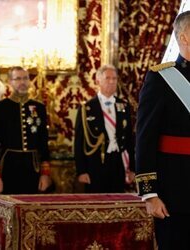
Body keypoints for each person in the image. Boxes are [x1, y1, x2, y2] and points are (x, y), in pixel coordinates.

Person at [135, 11, 190, 250]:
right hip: (176, 191)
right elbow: (145, 139)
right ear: (185, 37)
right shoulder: (162, 78)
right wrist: (150, 194)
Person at [0, 66, 52, 194]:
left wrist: (45, 173)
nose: (22, 82)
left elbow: (43, 143)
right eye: (17, 79)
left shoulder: (39, 107)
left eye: (25, 78)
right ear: (10, 82)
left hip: (33, 167)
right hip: (9, 166)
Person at [74, 64, 135, 193]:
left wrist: (133, 168)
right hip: (96, 163)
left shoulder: (123, 105)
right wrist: (82, 171)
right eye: (108, 78)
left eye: (114, 78)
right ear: (98, 81)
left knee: (118, 202)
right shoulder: (87, 108)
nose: (112, 82)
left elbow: (130, 139)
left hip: (118, 161)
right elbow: (79, 142)